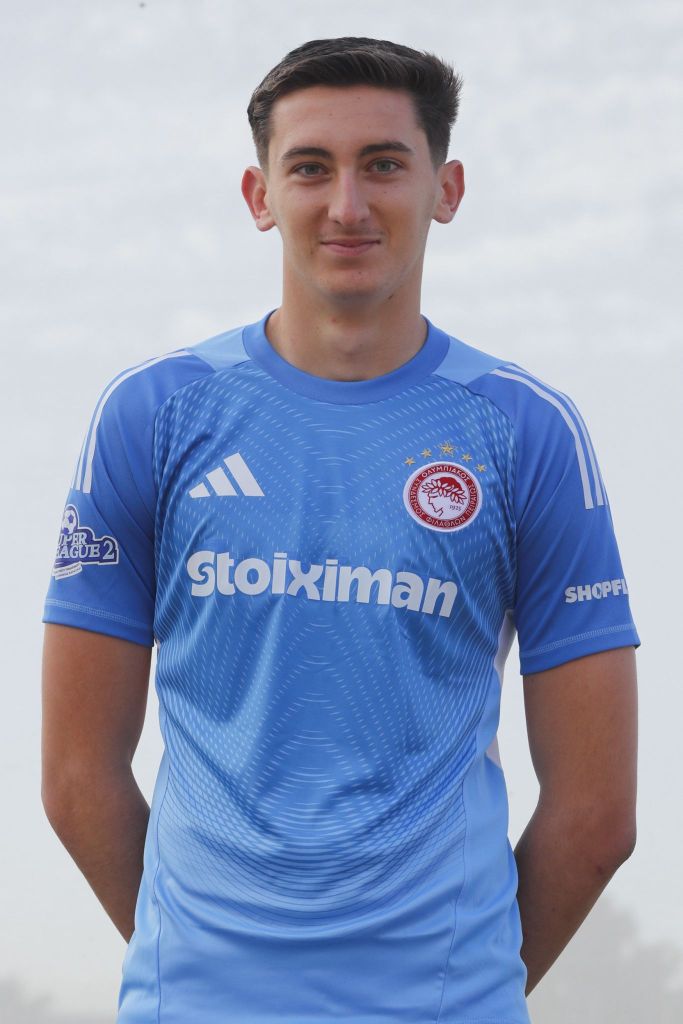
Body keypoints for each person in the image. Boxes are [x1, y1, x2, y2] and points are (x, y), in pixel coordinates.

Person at [41, 36, 639, 1024]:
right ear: (258, 195)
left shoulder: (526, 432)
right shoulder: (151, 417)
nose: (347, 205)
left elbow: (597, 815)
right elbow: (75, 777)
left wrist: (458, 985)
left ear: (446, 189)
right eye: (310, 167)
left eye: (384, 165)